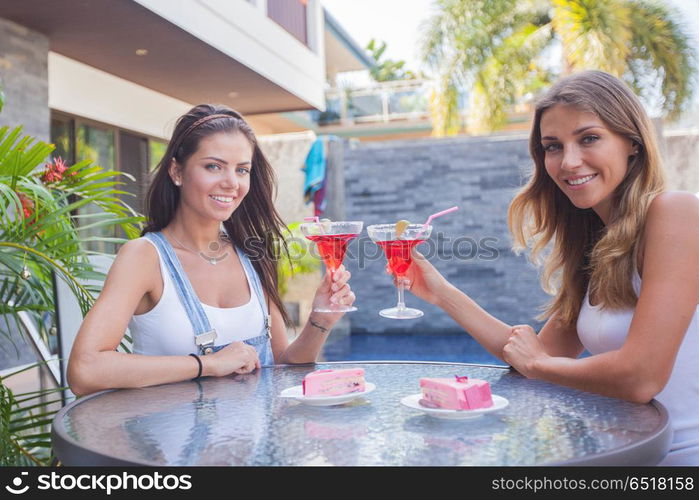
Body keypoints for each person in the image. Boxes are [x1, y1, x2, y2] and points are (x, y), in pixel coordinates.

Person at [402, 71, 699, 465]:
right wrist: (440, 292)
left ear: (632, 142)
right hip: (621, 457)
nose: (569, 161)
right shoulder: (599, 245)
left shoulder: (677, 212)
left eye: (589, 138)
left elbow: (641, 377)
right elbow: (534, 355)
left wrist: (541, 365)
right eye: (553, 146)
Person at [68, 104, 355, 396]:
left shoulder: (252, 253)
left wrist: (320, 319)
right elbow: (85, 370)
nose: (231, 183)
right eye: (213, 166)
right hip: (171, 439)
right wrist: (207, 364)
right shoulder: (144, 257)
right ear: (177, 171)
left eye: (242, 170)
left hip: (259, 442)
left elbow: (282, 366)